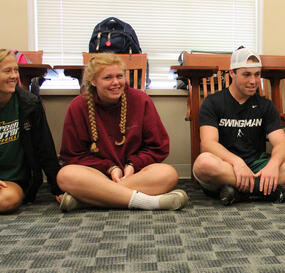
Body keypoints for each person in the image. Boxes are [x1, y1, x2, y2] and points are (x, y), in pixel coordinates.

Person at [57, 53, 188, 212]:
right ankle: (149, 202)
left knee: (168, 173)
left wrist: (133, 164)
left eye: (120, 76)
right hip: (96, 176)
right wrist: (109, 167)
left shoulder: (141, 100)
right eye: (107, 78)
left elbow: (158, 147)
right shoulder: (78, 106)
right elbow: (73, 155)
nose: (116, 83)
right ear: (93, 81)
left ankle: (87, 199)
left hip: (134, 176)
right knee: (65, 175)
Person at [192, 47, 285, 205]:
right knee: (203, 164)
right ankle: (272, 192)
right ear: (232, 73)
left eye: (257, 74)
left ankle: (240, 192)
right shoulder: (212, 103)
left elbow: (281, 143)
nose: (253, 81)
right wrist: (237, 162)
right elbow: (208, 144)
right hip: (226, 166)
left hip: (258, 165)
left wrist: (273, 165)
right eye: (246, 74)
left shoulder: (265, 105)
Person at [0, 49, 62, 213]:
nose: (14, 76)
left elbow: (45, 148)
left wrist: (58, 188)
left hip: (12, 182)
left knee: (6, 201)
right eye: (7, 71)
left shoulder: (29, 104)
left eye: (16, 70)